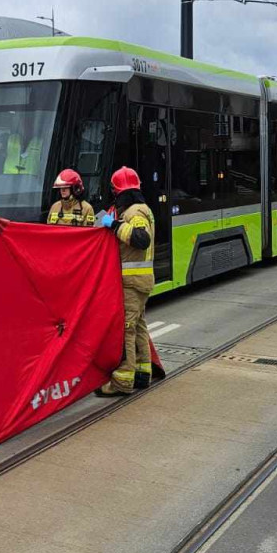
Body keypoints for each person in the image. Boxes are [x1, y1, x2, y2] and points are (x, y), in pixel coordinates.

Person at [95, 167, 156, 396]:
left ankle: (122, 382)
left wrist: (114, 225)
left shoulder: (135, 212)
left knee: (126, 330)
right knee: (139, 325)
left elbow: (141, 239)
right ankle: (142, 373)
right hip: (141, 280)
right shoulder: (143, 209)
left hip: (132, 282)